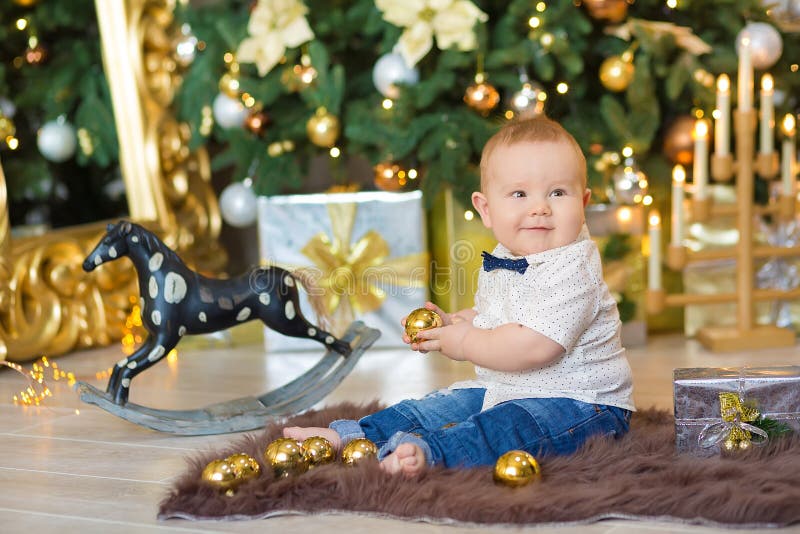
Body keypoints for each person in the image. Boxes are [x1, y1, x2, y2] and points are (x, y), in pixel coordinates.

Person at [284, 116, 635, 477]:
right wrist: (456, 323)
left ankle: (430, 454)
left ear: (584, 201)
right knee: (441, 406)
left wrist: (466, 342)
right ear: (486, 209)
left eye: (558, 193)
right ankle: (354, 436)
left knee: (506, 429)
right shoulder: (506, 257)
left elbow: (532, 346)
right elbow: (496, 316)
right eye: (519, 194)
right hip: (509, 386)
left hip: (581, 406)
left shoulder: (574, 269)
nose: (539, 208)